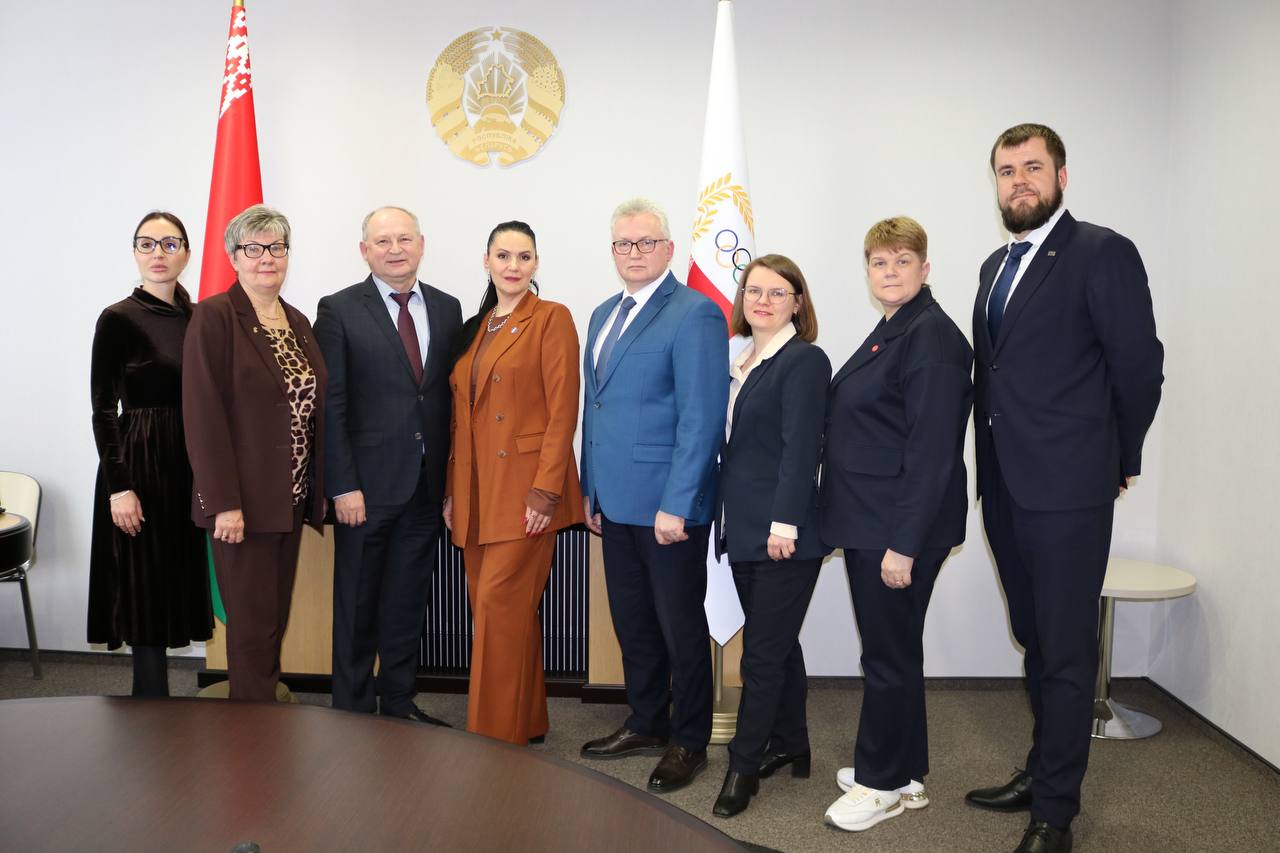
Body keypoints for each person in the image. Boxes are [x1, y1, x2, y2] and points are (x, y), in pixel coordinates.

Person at [966, 124, 1163, 853]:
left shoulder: (1102, 252)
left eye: (1032, 167)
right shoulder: (995, 266)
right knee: (1037, 639)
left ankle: (1055, 813)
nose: (1018, 180)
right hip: (1005, 485)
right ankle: (1042, 768)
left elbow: (1139, 367)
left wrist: (1118, 455)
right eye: (1006, 170)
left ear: (1062, 176)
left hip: (1070, 488)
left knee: (1069, 647)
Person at [820, 217, 973, 833]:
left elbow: (933, 453)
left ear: (924, 268)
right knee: (897, 651)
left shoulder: (930, 337)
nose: (889, 272)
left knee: (885, 656)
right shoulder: (897, 328)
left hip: (894, 529)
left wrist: (902, 545)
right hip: (873, 519)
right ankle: (905, 774)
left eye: (902, 261)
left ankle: (879, 782)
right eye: (879, 262)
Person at [578, 198, 729, 793]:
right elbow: (597, 410)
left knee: (679, 627)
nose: (634, 253)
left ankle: (689, 740)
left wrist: (679, 502)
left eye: (645, 242)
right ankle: (646, 721)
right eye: (623, 243)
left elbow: (701, 417)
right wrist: (590, 487)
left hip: (667, 507)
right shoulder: (602, 314)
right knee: (634, 621)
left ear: (668, 249)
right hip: (614, 502)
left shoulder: (695, 313)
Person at [314, 206, 461, 723]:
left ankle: (398, 702)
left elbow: (444, 401)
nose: (395, 249)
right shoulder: (338, 309)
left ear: (421, 244)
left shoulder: (447, 307)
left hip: (425, 487)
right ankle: (352, 714)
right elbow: (331, 404)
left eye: (404, 239)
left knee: (406, 603)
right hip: (365, 490)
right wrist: (342, 485)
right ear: (365, 251)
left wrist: (450, 485)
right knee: (357, 605)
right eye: (382, 241)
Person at [442, 221, 583, 745]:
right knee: (504, 616)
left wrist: (545, 493)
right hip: (476, 494)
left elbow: (563, 410)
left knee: (498, 609)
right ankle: (527, 721)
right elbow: (460, 418)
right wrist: (452, 492)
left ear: (536, 263)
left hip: (525, 493)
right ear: (487, 261)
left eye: (524, 256)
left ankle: (492, 740)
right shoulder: (477, 326)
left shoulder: (551, 318)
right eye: (503, 255)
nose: (513, 266)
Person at [183, 204, 328, 702]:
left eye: (276, 247)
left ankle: (261, 714)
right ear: (233, 257)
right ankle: (251, 729)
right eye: (253, 248)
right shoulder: (215, 317)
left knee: (273, 620)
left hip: (290, 498)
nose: (267, 257)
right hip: (242, 504)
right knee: (250, 626)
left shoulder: (296, 320)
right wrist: (224, 503)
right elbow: (203, 416)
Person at [710, 254, 830, 818]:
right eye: (754, 291)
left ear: (797, 304)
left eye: (777, 292)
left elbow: (801, 449)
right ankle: (792, 742)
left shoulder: (803, 360)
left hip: (783, 534)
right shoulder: (742, 361)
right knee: (777, 643)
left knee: (760, 655)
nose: (762, 301)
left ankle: (743, 766)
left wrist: (785, 524)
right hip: (744, 528)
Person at [88, 211, 212, 696]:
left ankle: (164, 710)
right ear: (135, 252)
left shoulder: (198, 317)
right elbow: (103, 410)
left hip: (188, 463)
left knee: (175, 578)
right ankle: (149, 703)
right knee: (144, 584)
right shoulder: (117, 318)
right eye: (147, 243)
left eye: (169, 243)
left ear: (186, 253)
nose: (158, 253)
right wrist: (119, 487)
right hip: (137, 462)